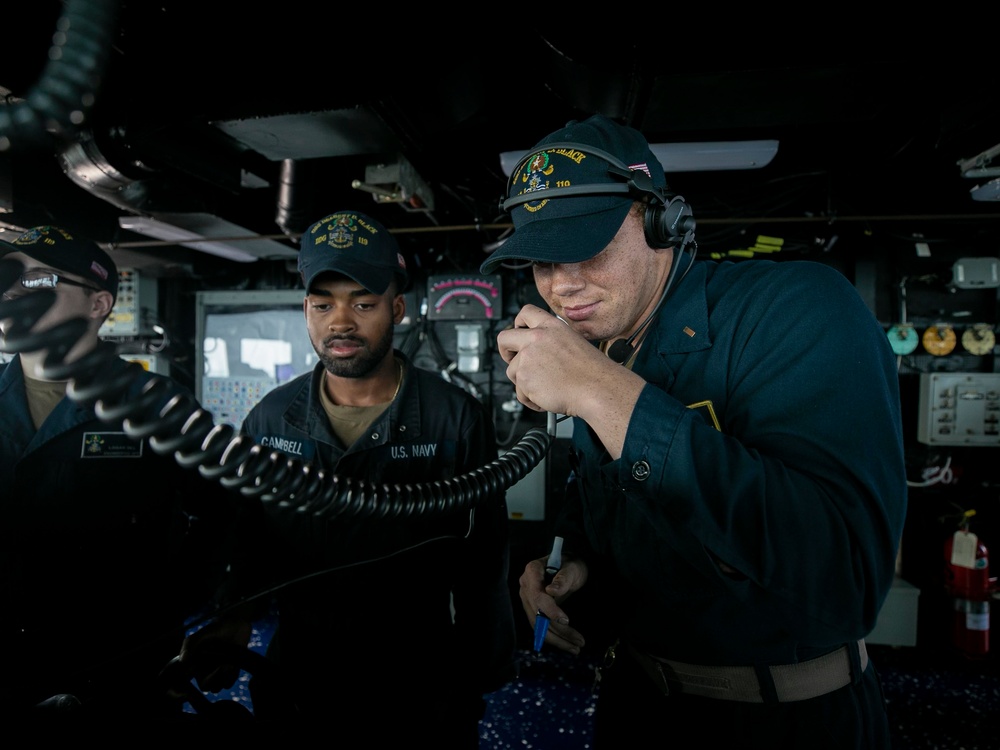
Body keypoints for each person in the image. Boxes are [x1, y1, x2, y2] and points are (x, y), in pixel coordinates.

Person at [481, 114, 907, 748]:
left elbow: (845, 580)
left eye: (587, 245)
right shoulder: (607, 349)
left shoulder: (799, 307)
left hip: (785, 723)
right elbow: (613, 519)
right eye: (539, 259)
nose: (561, 284)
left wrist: (602, 392)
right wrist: (577, 569)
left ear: (663, 223)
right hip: (636, 706)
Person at [181, 210, 517, 741]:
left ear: (398, 309)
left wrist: (485, 666)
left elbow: (485, 556)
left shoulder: (454, 416)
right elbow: (245, 537)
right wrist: (233, 616)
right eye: (323, 305)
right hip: (298, 668)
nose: (341, 322)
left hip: (417, 673)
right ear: (306, 312)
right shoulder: (269, 418)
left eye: (363, 304)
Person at [0, 225, 236, 725]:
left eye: (39, 281)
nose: (13, 293)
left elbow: (223, 514)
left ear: (98, 304)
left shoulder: (158, 404)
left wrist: (180, 606)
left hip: (121, 670)